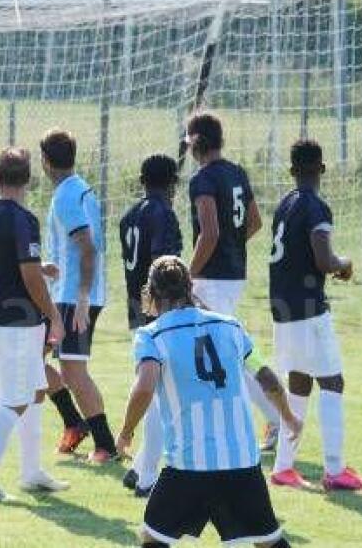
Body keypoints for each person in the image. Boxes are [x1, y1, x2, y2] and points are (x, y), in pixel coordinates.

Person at [116, 256, 300, 548]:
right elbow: (267, 378)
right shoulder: (231, 326)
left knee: (153, 540)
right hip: (241, 462)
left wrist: (126, 432)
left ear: (150, 292)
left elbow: (144, 388)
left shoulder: (151, 335)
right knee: (269, 542)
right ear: (190, 287)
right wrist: (288, 417)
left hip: (189, 465)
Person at [267, 140, 362, 492]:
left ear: (292, 170)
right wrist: (345, 265)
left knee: (299, 384)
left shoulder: (284, 206)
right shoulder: (315, 207)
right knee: (332, 382)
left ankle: (284, 467)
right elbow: (324, 261)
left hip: (282, 309)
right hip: (308, 309)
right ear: (322, 169)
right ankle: (334, 469)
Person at [0, 147, 69, 502]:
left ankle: (31, 472)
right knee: (13, 401)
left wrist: (39, 266)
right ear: (28, 180)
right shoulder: (23, 219)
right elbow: (25, 275)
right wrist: (54, 315)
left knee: (36, 390)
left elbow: (4, 262)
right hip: (19, 323)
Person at [184, 112, 281, 448]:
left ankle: (275, 416)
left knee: (231, 355)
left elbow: (209, 233)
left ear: (195, 141)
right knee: (227, 351)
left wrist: (189, 273)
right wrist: (231, 246)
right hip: (232, 272)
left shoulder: (203, 180)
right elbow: (253, 222)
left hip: (211, 277)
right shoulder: (236, 172)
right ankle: (272, 416)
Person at [37, 129, 118, 463]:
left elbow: (87, 248)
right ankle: (74, 423)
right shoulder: (78, 189)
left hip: (74, 298)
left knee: (73, 372)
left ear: (45, 161)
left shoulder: (68, 196)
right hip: (65, 293)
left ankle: (105, 444)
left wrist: (83, 299)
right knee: (31, 360)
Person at [118, 154, 183, 497]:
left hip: (137, 309)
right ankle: (146, 480)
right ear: (172, 183)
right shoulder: (164, 215)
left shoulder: (129, 216)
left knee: (160, 395)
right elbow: (164, 268)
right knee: (161, 398)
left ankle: (142, 467)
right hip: (161, 313)